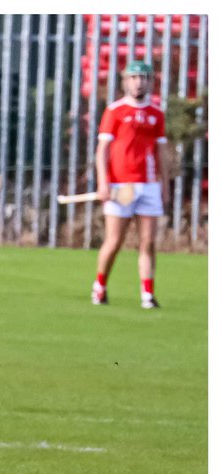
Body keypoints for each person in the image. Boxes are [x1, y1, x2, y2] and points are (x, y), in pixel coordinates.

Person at [91, 60, 170, 309]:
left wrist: (164, 183)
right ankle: (100, 286)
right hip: (120, 186)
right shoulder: (115, 110)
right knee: (114, 241)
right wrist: (104, 182)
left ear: (150, 81)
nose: (138, 82)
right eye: (134, 77)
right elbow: (102, 150)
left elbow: (161, 152)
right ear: (125, 81)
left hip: (148, 185)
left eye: (143, 77)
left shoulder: (156, 114)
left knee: (148, 241)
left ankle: (147, 294)